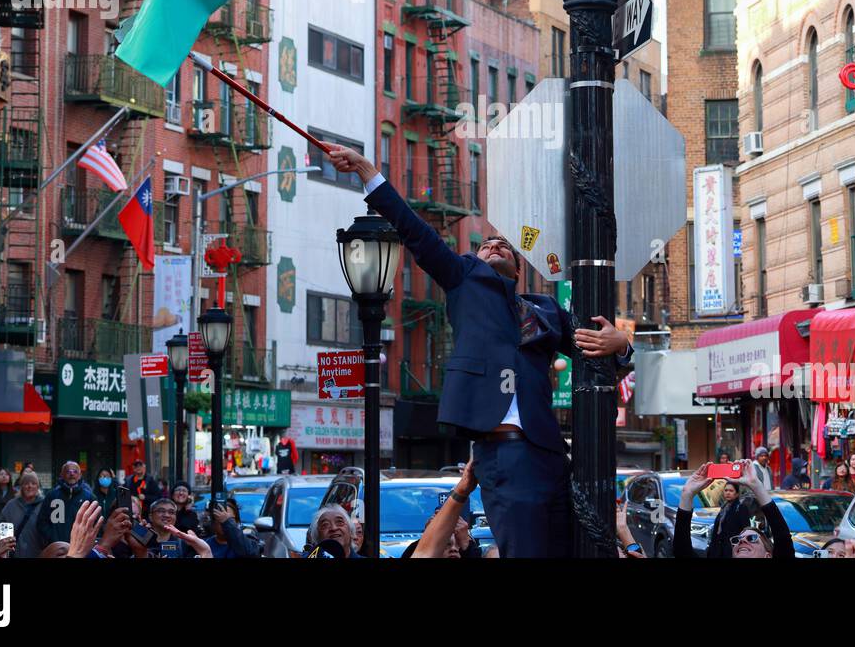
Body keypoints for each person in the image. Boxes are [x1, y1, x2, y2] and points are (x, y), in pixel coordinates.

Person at [326, 143, 632, 558]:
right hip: (502, 450)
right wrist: (366, 171)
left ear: (519, 268)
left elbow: (594, 344)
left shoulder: (544, 308)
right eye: (485, 245)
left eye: (504, 245)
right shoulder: (464, 280)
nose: (495, 246)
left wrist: (622, 345)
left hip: (551, 453)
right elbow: (415, 231)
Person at [674, 462, 793, 559]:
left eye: (752, 538)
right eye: (736, 540)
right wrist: (687, 494)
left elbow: (783, 538)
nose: (742, 541)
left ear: (768, 556)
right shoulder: (723, 509)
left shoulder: (740, 508)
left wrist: (756, 485)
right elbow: (682, 551)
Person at [35, 460, 95, 552]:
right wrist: (52, 538)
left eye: (75, 471)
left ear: (80, 475)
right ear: (62, 475)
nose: (71, 474)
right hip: (57, 548)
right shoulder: (52, 495)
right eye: (68, 471)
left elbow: (95, 523)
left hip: (80, 548)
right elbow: (42, 522)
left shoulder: (89, 497)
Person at [0, 470, 43, 558]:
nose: (29, 486)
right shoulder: (11, 506)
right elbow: (1, 527)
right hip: (16, 554)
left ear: (38, 487)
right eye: (26, 483)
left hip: (38, 553)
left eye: (33, 483)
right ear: (21, 486)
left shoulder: (44, 505)